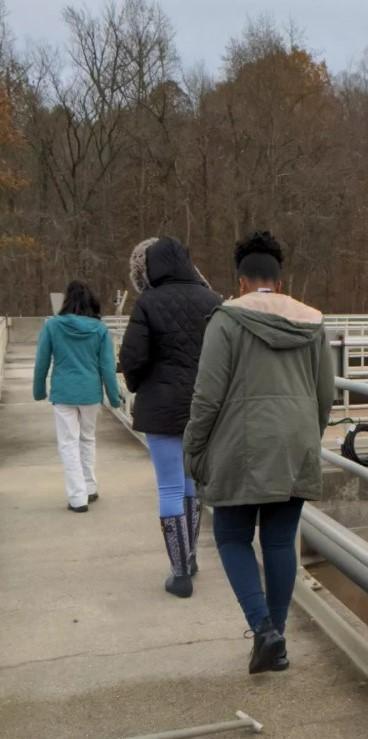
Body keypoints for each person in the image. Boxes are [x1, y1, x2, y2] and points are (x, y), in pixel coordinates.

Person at [183, 231, 335, 674]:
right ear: (279, 282)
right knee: (279, 541)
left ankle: (263, 630)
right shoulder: (312, 322)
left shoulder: (226, 320)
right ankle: (278, 638)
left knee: (232, 538)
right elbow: (325, 393)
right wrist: (307, 437)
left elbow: (207, 396)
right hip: (295, 446)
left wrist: (195, 448)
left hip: (238, 449)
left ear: (241, 281)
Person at [119, 237, 221, 598]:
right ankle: (191, 557)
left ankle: (179, 573)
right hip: (203, 407)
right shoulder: (213, 300)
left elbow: (132, 356)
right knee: (192, 483)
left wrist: (137, 385)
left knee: (169, 486)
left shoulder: (148, 302)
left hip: (160, 406)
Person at [33, 281, 122, 512]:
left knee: (68, 444)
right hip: (90, 392)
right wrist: (114, 397)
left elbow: (42, 361)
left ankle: (77, 497)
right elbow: (107, 367)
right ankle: (90, 487)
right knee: (88, 439)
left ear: (67, 300)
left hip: (63, 392)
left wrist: (39, 390)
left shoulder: (53, 326)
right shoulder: (99, 329)